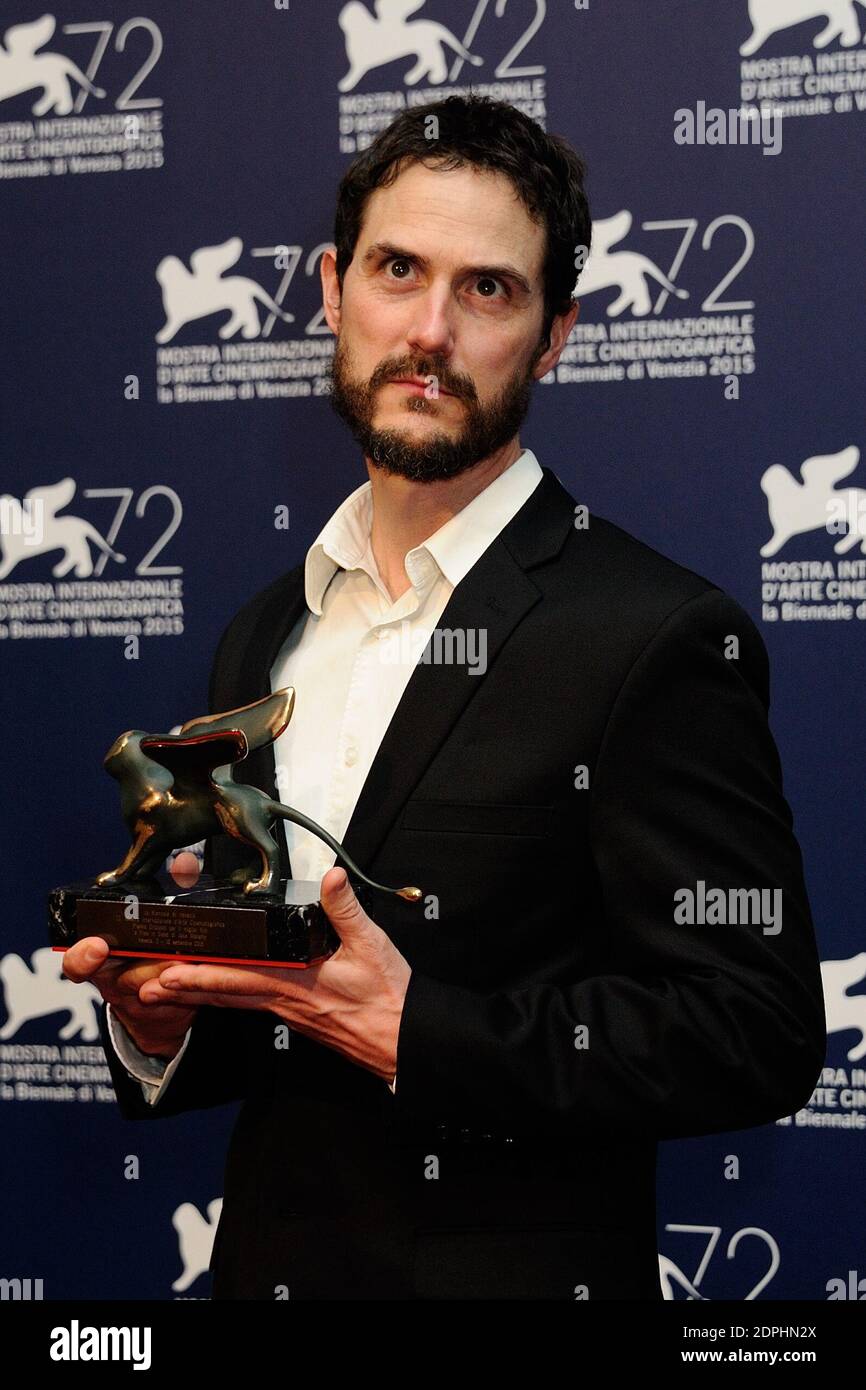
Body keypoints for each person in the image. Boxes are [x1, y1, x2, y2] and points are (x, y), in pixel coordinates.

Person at [64, 94, 826, 1301]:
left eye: (486, 290)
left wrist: (425, 1034)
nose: (427, 329)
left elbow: (754, 1030)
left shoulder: (654, 635)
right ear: (330, 288)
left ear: (555, 333)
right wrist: (163, 1024)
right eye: (396, 269)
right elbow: (284, 1010)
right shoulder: (266, 629)